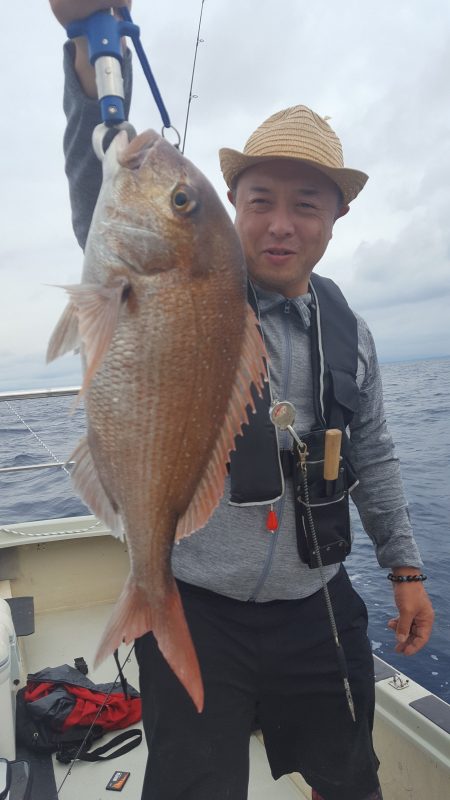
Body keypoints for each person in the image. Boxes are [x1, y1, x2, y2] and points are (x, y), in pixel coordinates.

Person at [49, 3, 435, 799]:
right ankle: (145, 597)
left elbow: (376, 452)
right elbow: (99, 183)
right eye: (260, 199)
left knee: (349, 778)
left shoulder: (350, 331)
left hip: (315, 606)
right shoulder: (186, 286)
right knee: (193, 785)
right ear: (232, 204)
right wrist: (86, 55)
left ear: (336, 217)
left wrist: (404, 567)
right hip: (200, 603)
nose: (281, 224)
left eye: (307, 202)